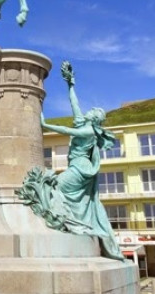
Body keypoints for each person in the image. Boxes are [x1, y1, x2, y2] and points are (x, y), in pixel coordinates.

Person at [20, 61, 124, 260]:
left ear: (95, 119)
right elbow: (74, 104)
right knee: (53, 189)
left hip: (79, 170)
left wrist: (45, 125)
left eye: (93, 111)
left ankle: (67, 222)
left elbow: (68, 131)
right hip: (77, 168)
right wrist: (70, 84)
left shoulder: (88, 130)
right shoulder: (85, 123)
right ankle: (70, 220)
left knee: (53, 188)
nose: (89, 111)